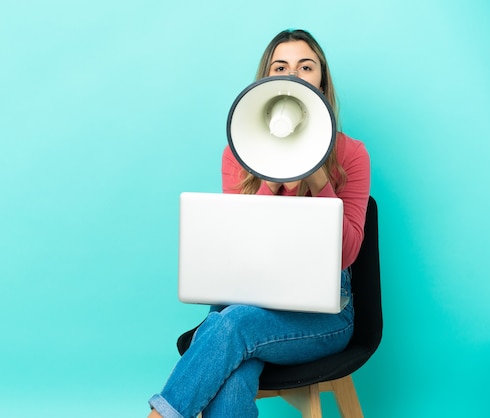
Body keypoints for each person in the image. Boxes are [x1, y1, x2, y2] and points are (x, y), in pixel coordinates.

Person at [147, 29, 370, 418]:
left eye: (306, 66)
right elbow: (241, 250)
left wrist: (318, 181)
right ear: (267, 79)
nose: (293, 74)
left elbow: (348, 253)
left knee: (230, 326)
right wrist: (269, 181)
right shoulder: (239, 153)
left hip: (326, 314)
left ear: (321, 79)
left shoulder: (350, 153)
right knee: (233, 370)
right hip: (248, 301)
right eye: (280, 66)